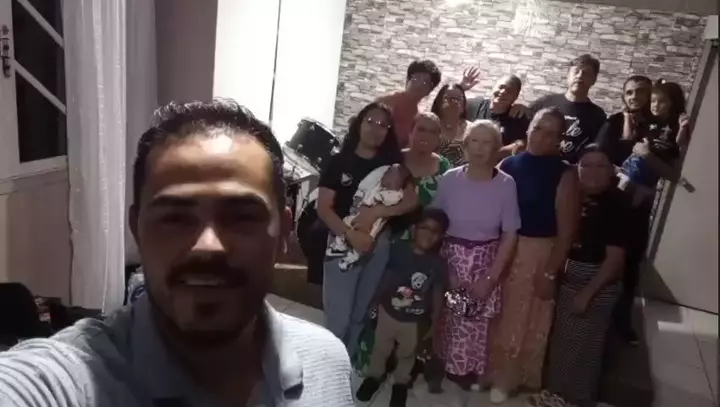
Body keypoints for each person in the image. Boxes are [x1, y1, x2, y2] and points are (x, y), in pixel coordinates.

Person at [0, 100, 354, 406]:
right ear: (137, 229)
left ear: (283, 232)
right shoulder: (67, 378)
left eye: (242, 216)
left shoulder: (329, 361)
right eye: (174, 217)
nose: (208, 245)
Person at [490, 107, 581, 404]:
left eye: (553, 133)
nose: (543, 137)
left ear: (559, 139)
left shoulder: (565, 173)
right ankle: (489, 370)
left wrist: (550, 271)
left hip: (539, 253)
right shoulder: (509, 163)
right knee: (497, 312)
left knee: (522, 318)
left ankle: (511, 377)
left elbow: (567, 231)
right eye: (540, 128)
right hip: (503, 246)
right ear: (530, 127)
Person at [528, 145, 629, 407]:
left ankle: (574, 399)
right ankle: (556, 395)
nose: (593, 171)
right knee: (564, 343)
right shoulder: (576, 195)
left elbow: (615, 259)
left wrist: (587, 293)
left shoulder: (617, 202)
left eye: (600, 165)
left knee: (582, 348)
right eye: (586, 165)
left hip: (595, 282)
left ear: (611, 170)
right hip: (572, 277)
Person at [317, 102, 419, 358]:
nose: (376, 128)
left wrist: (377, 212)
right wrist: (350, 234)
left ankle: (347, 364)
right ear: (359, 123)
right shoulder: (339, 161)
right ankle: (328, 369)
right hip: (343, 243)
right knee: (338, 320)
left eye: (383, 125)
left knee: (359, 316)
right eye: (370, 121)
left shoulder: (392, 165)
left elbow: (411, 201)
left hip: (378, 246)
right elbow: (324, 209)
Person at [432, 120, 521, 391]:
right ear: (466, 144)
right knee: (447, 317)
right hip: (450, 258)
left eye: (487, 142)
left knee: (477, 322)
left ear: (496, 148)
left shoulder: (506, 184)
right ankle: (443, 366)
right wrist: (447, 270)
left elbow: (510, 233)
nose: (480, 148)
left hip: (486, 261)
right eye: (474, 141)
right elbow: (434, 224)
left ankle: (469, 371)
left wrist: (490, 279)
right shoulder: (450, 179)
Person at [598, 79, 687, 345]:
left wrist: (650, 155)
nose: (636, 97)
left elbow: (673, 172)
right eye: (629, 92)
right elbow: (603, 153)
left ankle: (620, 323)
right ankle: (598, 315)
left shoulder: (665, 127)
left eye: (643, 93)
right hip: (612, 198)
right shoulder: (617, 121)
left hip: (638, 204)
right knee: (600, 256)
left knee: (631, 263)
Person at [355, 208, 450, 407]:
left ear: (441, 237)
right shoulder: (398, 250)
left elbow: (437, 292)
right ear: (414, 229)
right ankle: (374, 377)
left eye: (436, 231)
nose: (429, 235)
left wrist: (435, 320)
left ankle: (400, 383)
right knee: (380, 349)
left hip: (414, 321)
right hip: (388, 313)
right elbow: (385, 278)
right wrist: (375, 303)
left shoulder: (438, 264)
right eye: (425, 228)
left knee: (407, 354)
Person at [523, 54, 607, 163]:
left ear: (594, 80)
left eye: (586, 73)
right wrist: (520, 108)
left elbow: (596, 151)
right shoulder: (546, 102)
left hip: (572, 171)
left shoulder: (598, 115)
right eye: (576, 71)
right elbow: (522, 128)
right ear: (568, 76)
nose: (580, 76)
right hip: (536, 164)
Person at [327, 163, 411, 270]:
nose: (387, 178)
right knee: (346, 223)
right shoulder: (377, 185)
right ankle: (340, 246)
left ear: (400, 185)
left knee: (364, 241)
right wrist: (358, 201)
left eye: (393, 178)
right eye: (387, 174)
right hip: (359, 213)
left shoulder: (395, 194)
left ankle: (351, 258)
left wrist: (381, 195)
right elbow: (363, 192)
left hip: (373, 224)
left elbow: (387, 199)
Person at [377, 60, 442, 149]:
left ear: (429, 91)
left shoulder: (419, 117)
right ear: (407, 80)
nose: (419, 85)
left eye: (425, 82)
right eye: (416, 78)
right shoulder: (386, 102)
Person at [463, 74, 531, 158]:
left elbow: (525, 143)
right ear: (493, 88)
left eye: (509, 90)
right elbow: (452, 106)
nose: (503, 92)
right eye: (501, 87)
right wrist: (462, 87)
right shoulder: (475, 105)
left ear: (515, 97)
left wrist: (499, 153)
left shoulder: (518, 117)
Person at [433, 83, 472, 167]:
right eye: (449, 98)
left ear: (464, 105)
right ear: (439, 102)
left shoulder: (472, 130)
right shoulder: (429, 124)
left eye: (458, 99)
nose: (454, 102)